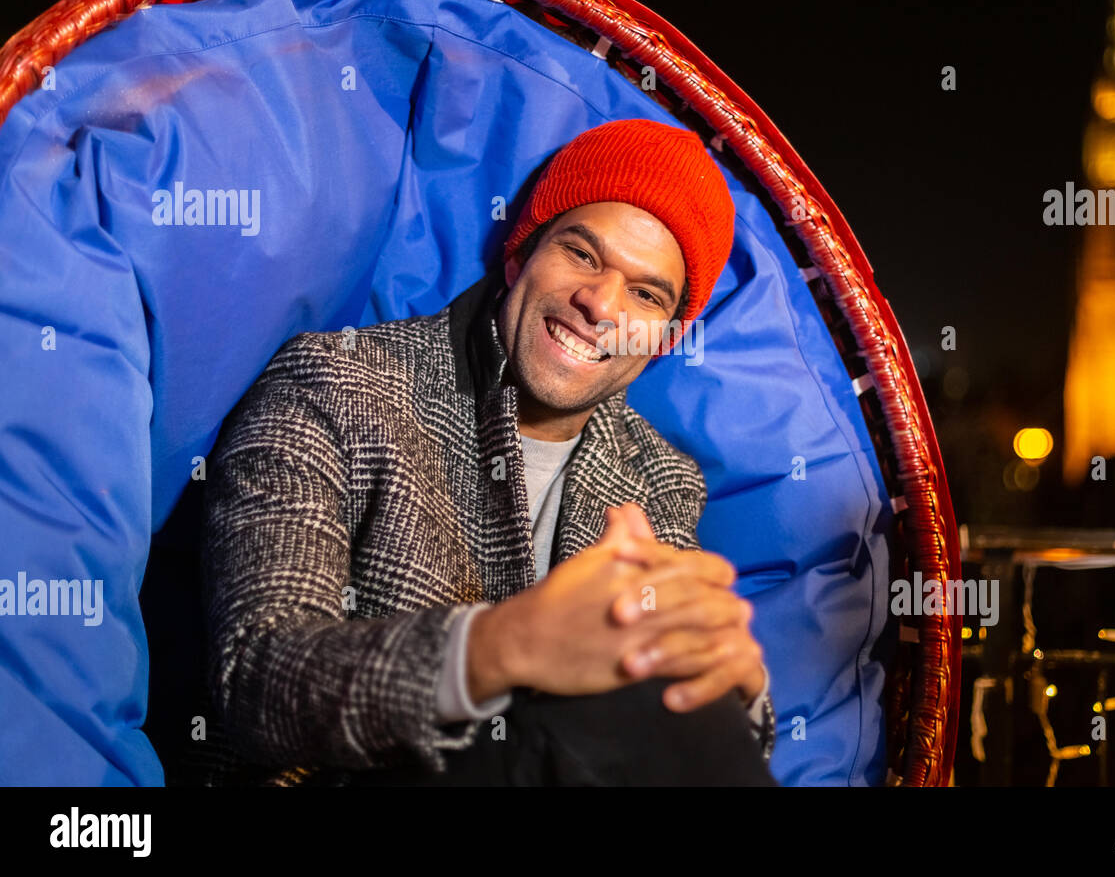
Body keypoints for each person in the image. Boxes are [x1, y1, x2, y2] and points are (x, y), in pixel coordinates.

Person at [200, 118, 777, 786]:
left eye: (646, 295)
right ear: (518, 257)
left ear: (663, 343)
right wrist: (505, 647)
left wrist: (740, 689)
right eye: (582, 255)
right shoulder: (337, 384)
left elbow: (677, 727)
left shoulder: (661, 479)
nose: (600, 305)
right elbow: (255, 675)